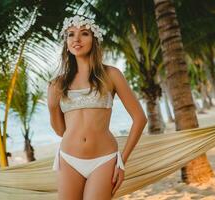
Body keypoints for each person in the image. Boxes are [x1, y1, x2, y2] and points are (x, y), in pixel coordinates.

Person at [47, 15, 148, 200]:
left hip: (104, 160)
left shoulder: (111, 75)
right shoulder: (57, 84)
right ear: (66, 42)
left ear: (94, 40)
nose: (76, 39)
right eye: (71, 34)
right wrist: (53, 106)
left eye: (84, 33)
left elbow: (140, 119)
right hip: (69, 159)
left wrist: (121, 162)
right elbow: (61, 130)